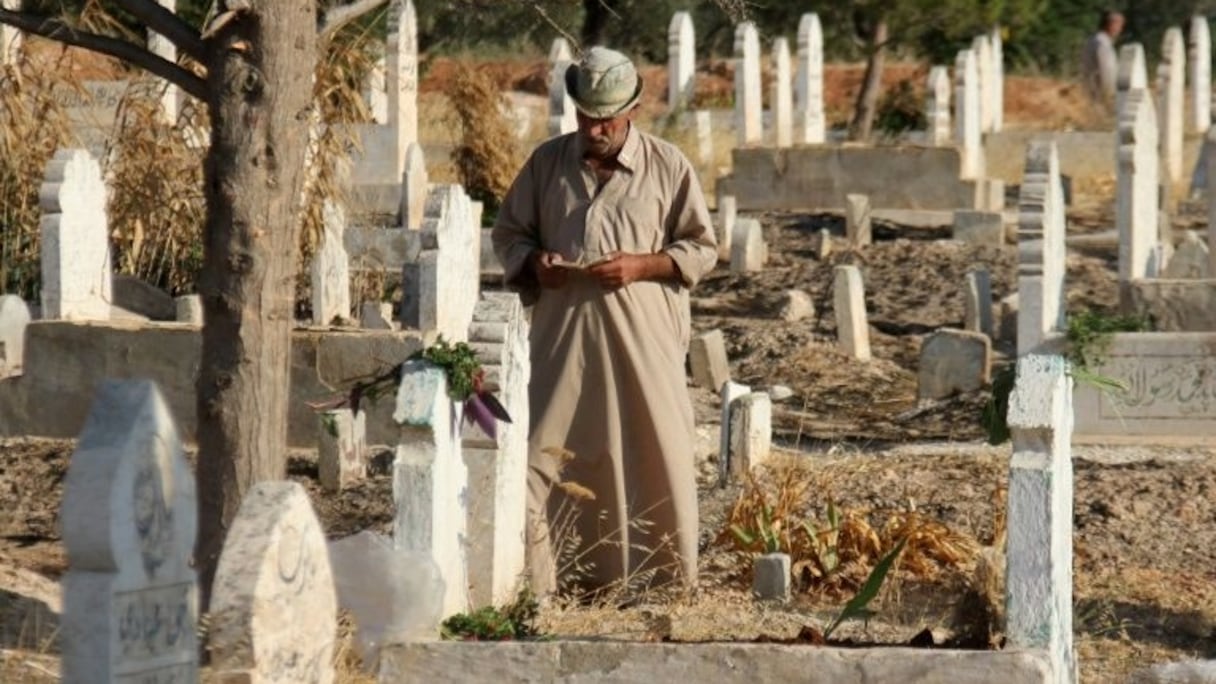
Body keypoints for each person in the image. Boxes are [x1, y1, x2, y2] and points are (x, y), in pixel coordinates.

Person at [492, 46, 717, 599]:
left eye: (607, 119)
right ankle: (552, 580)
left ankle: (661, 583)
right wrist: (534, 262)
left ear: (633, 109)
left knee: (655, 453)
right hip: (562, 342)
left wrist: (642, 264)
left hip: (644, 343)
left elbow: (701, 248)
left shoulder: (669, 167)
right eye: (587, 116)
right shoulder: (546, 165)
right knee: (542, 457)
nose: (595, 128)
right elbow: (510, 235)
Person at [1080, 10, 1125, 108]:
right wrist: (1110, 96)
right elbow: (1108, 73)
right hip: (1100, 97)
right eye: (1119, 25)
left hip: (1089, 94)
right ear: (1111, 24)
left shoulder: (1092, 41)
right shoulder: (1103, 45)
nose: (1120, 29)